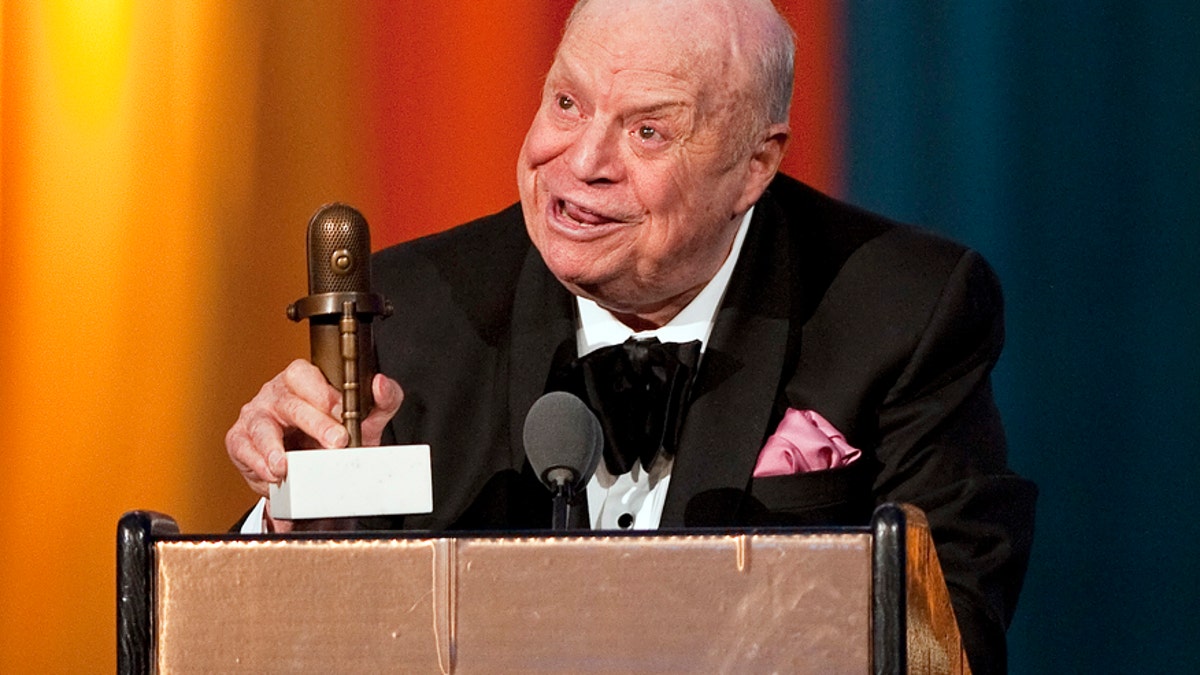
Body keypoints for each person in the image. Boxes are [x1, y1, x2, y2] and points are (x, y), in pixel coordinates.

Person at [225, 0, 1036, 672]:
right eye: (566, 103)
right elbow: (291, 639)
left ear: (755, 166)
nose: (581, 161)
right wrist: (297, 519)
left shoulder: (903, 311)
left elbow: (950, 640)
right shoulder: (417, 311)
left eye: (648, 131)